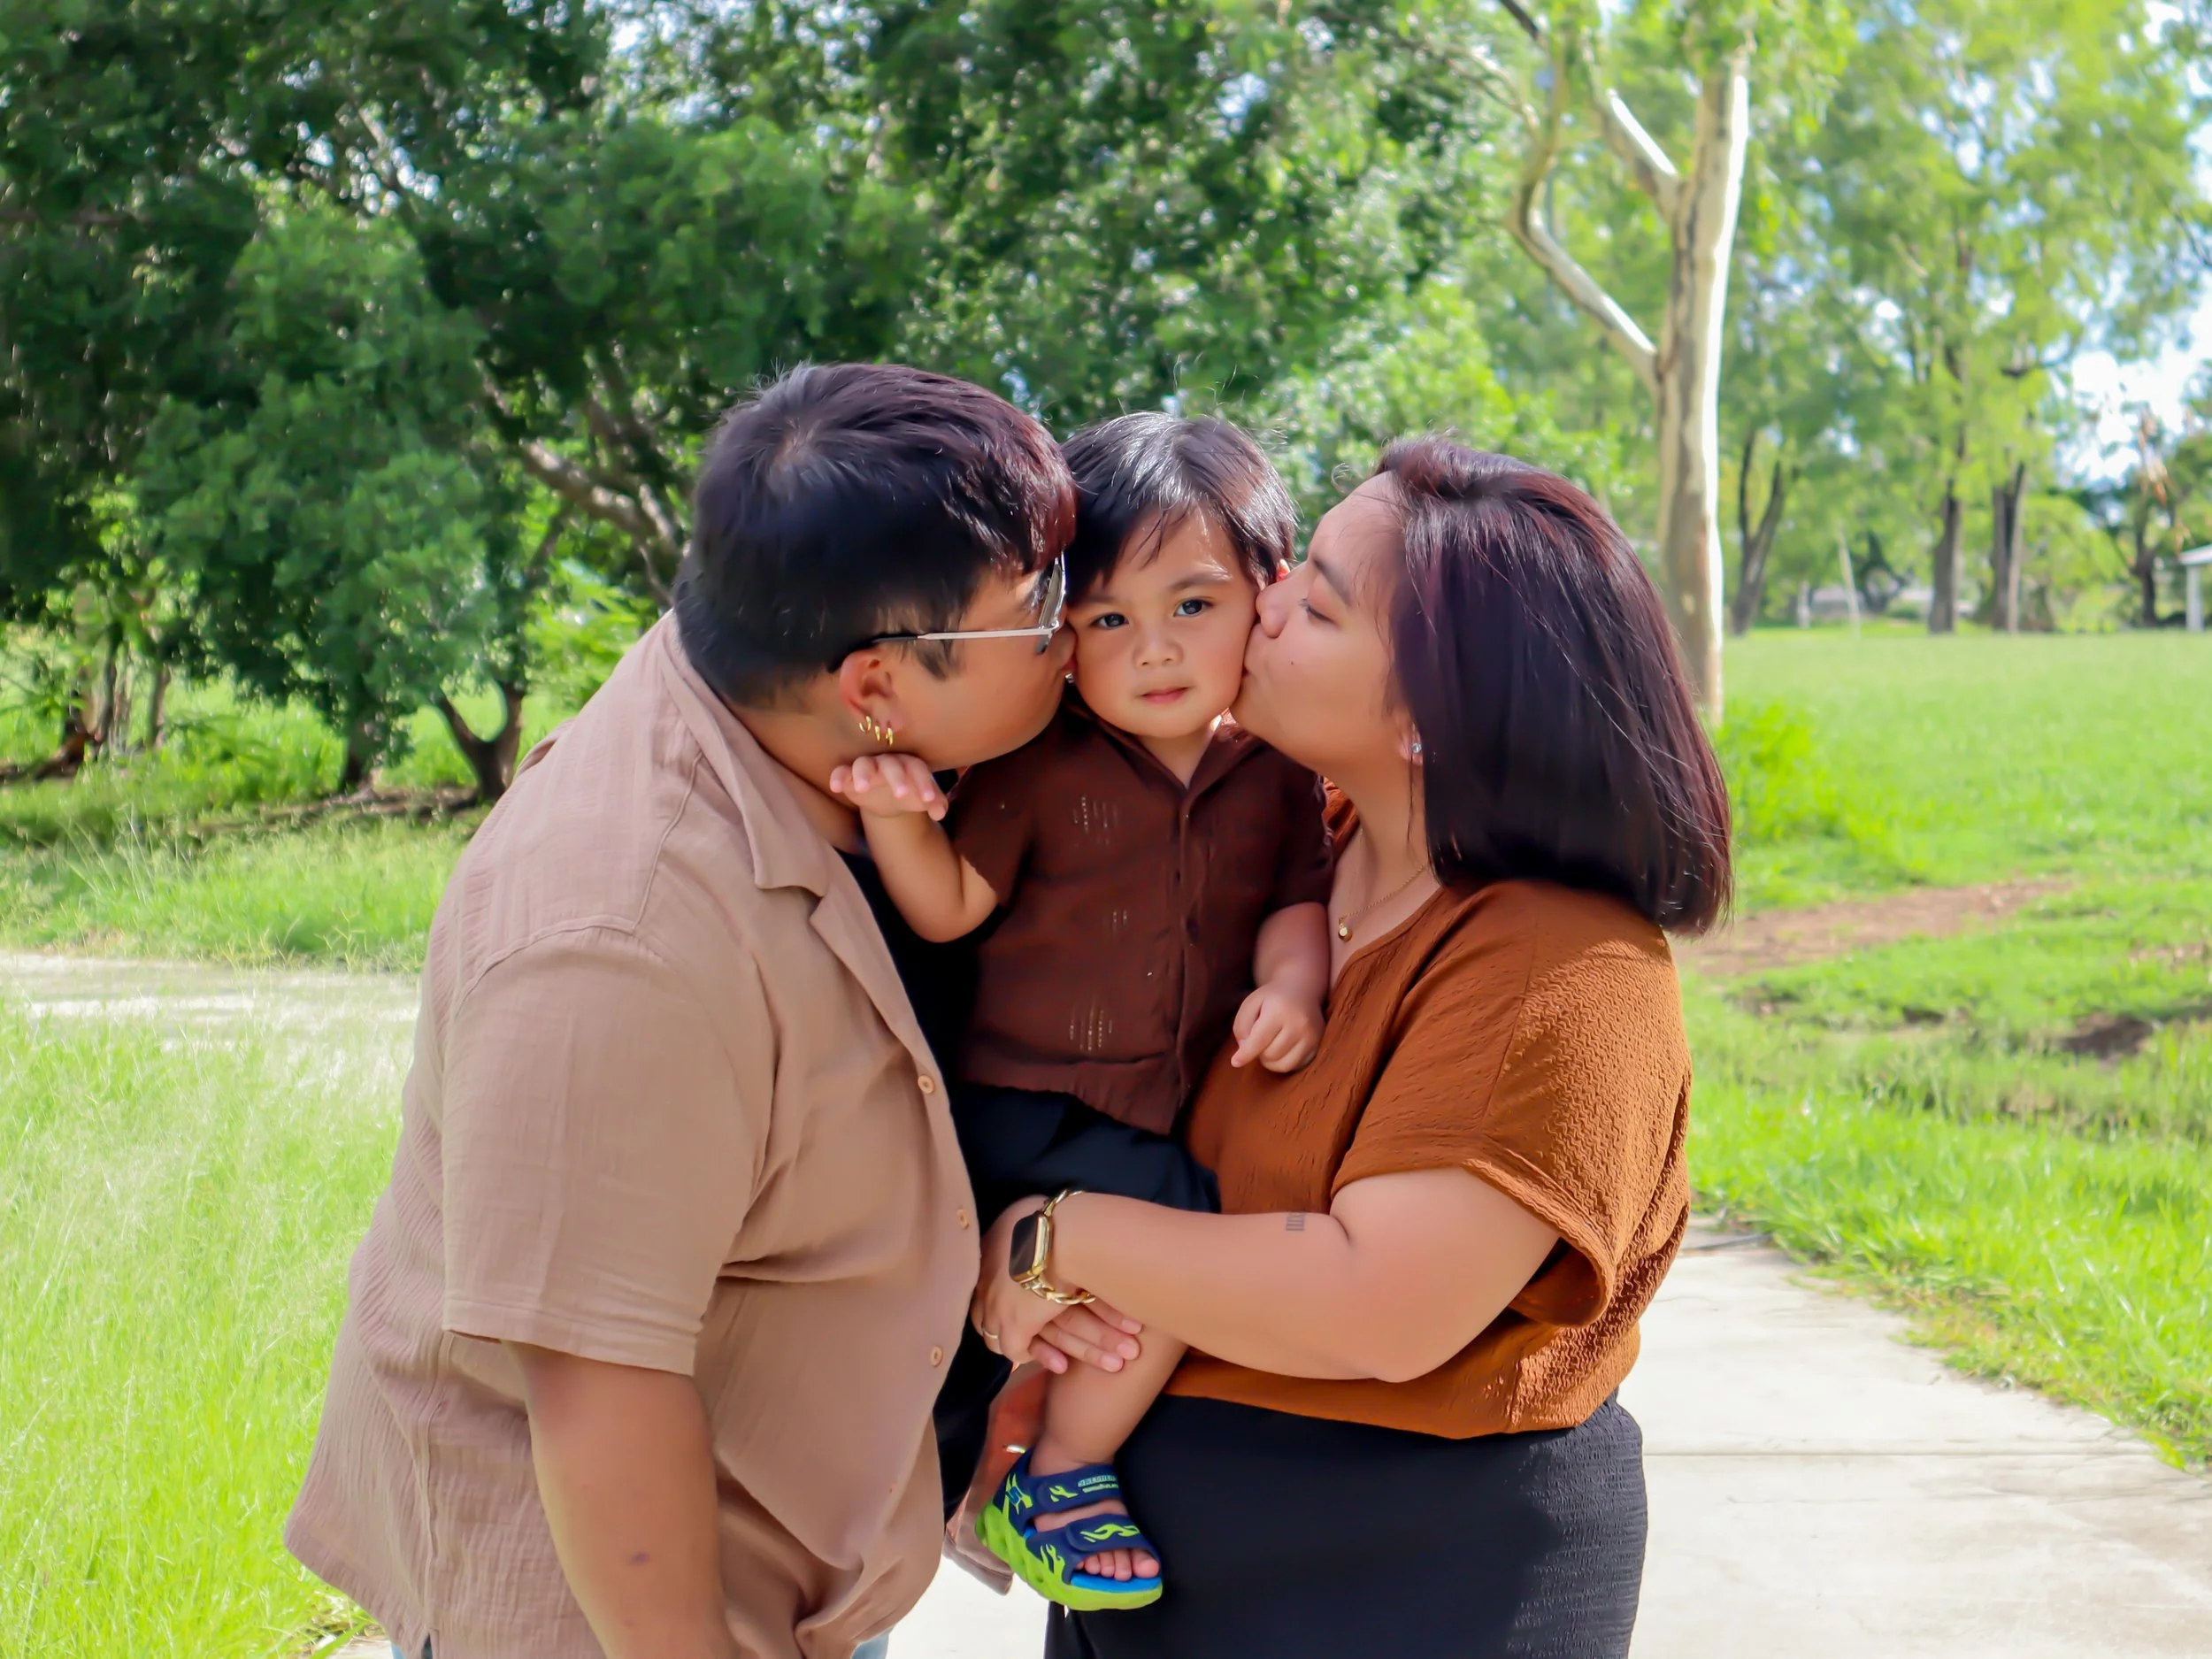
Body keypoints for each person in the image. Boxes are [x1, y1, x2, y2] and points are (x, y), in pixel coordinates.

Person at [285, 363, 1102, 1659]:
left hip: (792, 1550)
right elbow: (600, 1387)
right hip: (622, 1612)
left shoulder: (775, 700)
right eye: (1037, 611)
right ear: (877, 682)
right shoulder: (621, 934)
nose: (1073, 630)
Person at [972, 438, 1734, 1657]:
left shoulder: (1560, 967)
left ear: (1436, 718)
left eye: (1316, 599)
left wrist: (1050, 1237)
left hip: (1406, 1577)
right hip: (1156, 1573)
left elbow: (1381, 1304)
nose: (1261, 600)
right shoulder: (1296, 844)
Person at [829, 414, 1333, 1610]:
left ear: (1268, 597)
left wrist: (1292, 983)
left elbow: (1298, 899)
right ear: (1061, 639)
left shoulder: (1274, 767)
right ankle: (1057, 1472)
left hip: (1146, 1114)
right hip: (1022, 1100)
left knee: (1151, 1253)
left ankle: (999, 1472)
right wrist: (903, 819)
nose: (1153, 650)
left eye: (1193, 607)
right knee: (1166, 1228)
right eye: (1109, 619)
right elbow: (952, 908)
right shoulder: (1040, 762)